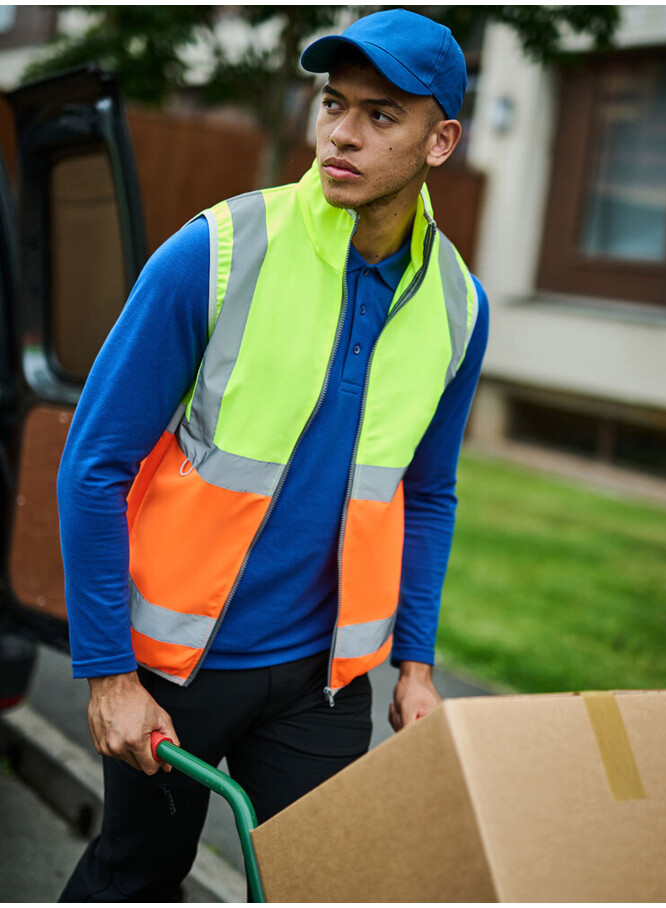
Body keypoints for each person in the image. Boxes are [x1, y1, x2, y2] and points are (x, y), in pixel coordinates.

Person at [58, 8, 489, 901]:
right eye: (334, 103)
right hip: (177, 669)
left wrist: (415, 667)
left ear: (440, 141)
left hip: (322, 684)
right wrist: (108, 677)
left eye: (380, 114)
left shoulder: (459, 306)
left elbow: (429, 492)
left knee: (314, 888)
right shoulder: (216, 252)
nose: (341, 133)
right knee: (137, 875)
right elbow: (92, 464)